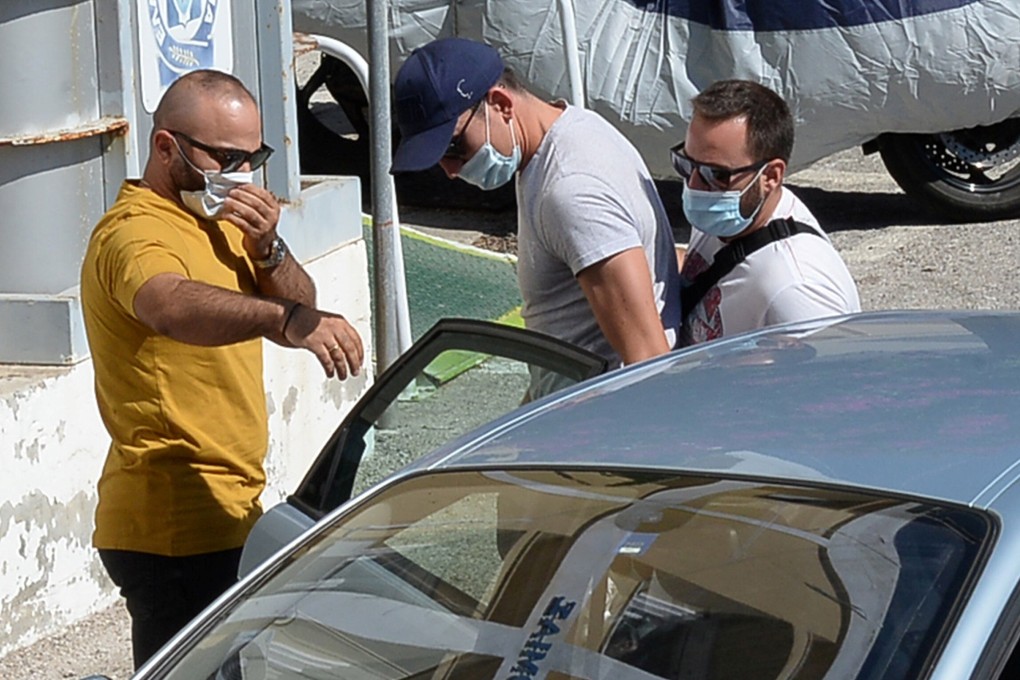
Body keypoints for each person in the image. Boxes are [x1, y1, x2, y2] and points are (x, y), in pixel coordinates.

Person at [80, 69, 364, 668]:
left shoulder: (225, 224)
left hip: (229, 507)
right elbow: (169, 305)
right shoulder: (132, 234)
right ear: (166, 147)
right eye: (226, 158)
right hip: (172, 523)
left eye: (252, 157)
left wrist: (269, 248)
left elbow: (301, 302)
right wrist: (279, 320)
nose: (241, 176)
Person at [390, 37, 681, 370]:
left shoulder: (572, 192)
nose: (452, 172)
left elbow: (648, 357)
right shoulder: (570, 132)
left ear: (500, 104)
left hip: (604, 413)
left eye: (454, 148)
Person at [673, 79, 860, 345]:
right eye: (686, 164)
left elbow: (825, 382)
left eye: (715, 174)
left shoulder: (798, 291)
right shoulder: (729, 214)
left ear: (770, 176)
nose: (693, 185)